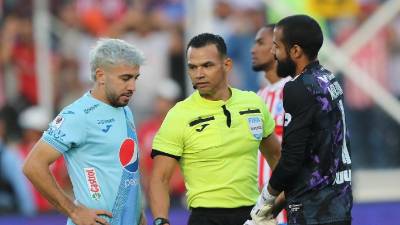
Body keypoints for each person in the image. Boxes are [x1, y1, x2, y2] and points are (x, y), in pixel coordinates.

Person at [149, 33, 281, 225]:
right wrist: (161, 221)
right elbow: (159, 178)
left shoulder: (253, 103)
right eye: (192, 67)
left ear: (227, 65)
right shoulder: (179, 114)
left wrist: (276, 203)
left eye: (207, 65)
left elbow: (276, 156)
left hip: (253, 215)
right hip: (205, 217)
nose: (199, 74)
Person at [23, 38, 146, 225]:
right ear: (101, 75)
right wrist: (73, 210)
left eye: (135, 78)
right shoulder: (77, 115)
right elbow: (33, 165)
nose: (132, 87)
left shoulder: (125, 110)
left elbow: (124, 173)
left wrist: (138, 217)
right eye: (125, 78)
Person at [249, 15, 353, 225]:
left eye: (276, 47)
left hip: (313, 212)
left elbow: (292, 159)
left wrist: (264, 204)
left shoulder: (298, 88)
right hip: (338, 205)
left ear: (295, 51)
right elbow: (314, 156)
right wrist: (272, 209)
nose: (272, 52)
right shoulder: (327, 78)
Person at [251, 24, 291, 225]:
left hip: (288, 210)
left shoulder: (294, 91)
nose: (253, 49)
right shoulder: (258, 98)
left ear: (277, 47)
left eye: (260, 42)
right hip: (262, 211)